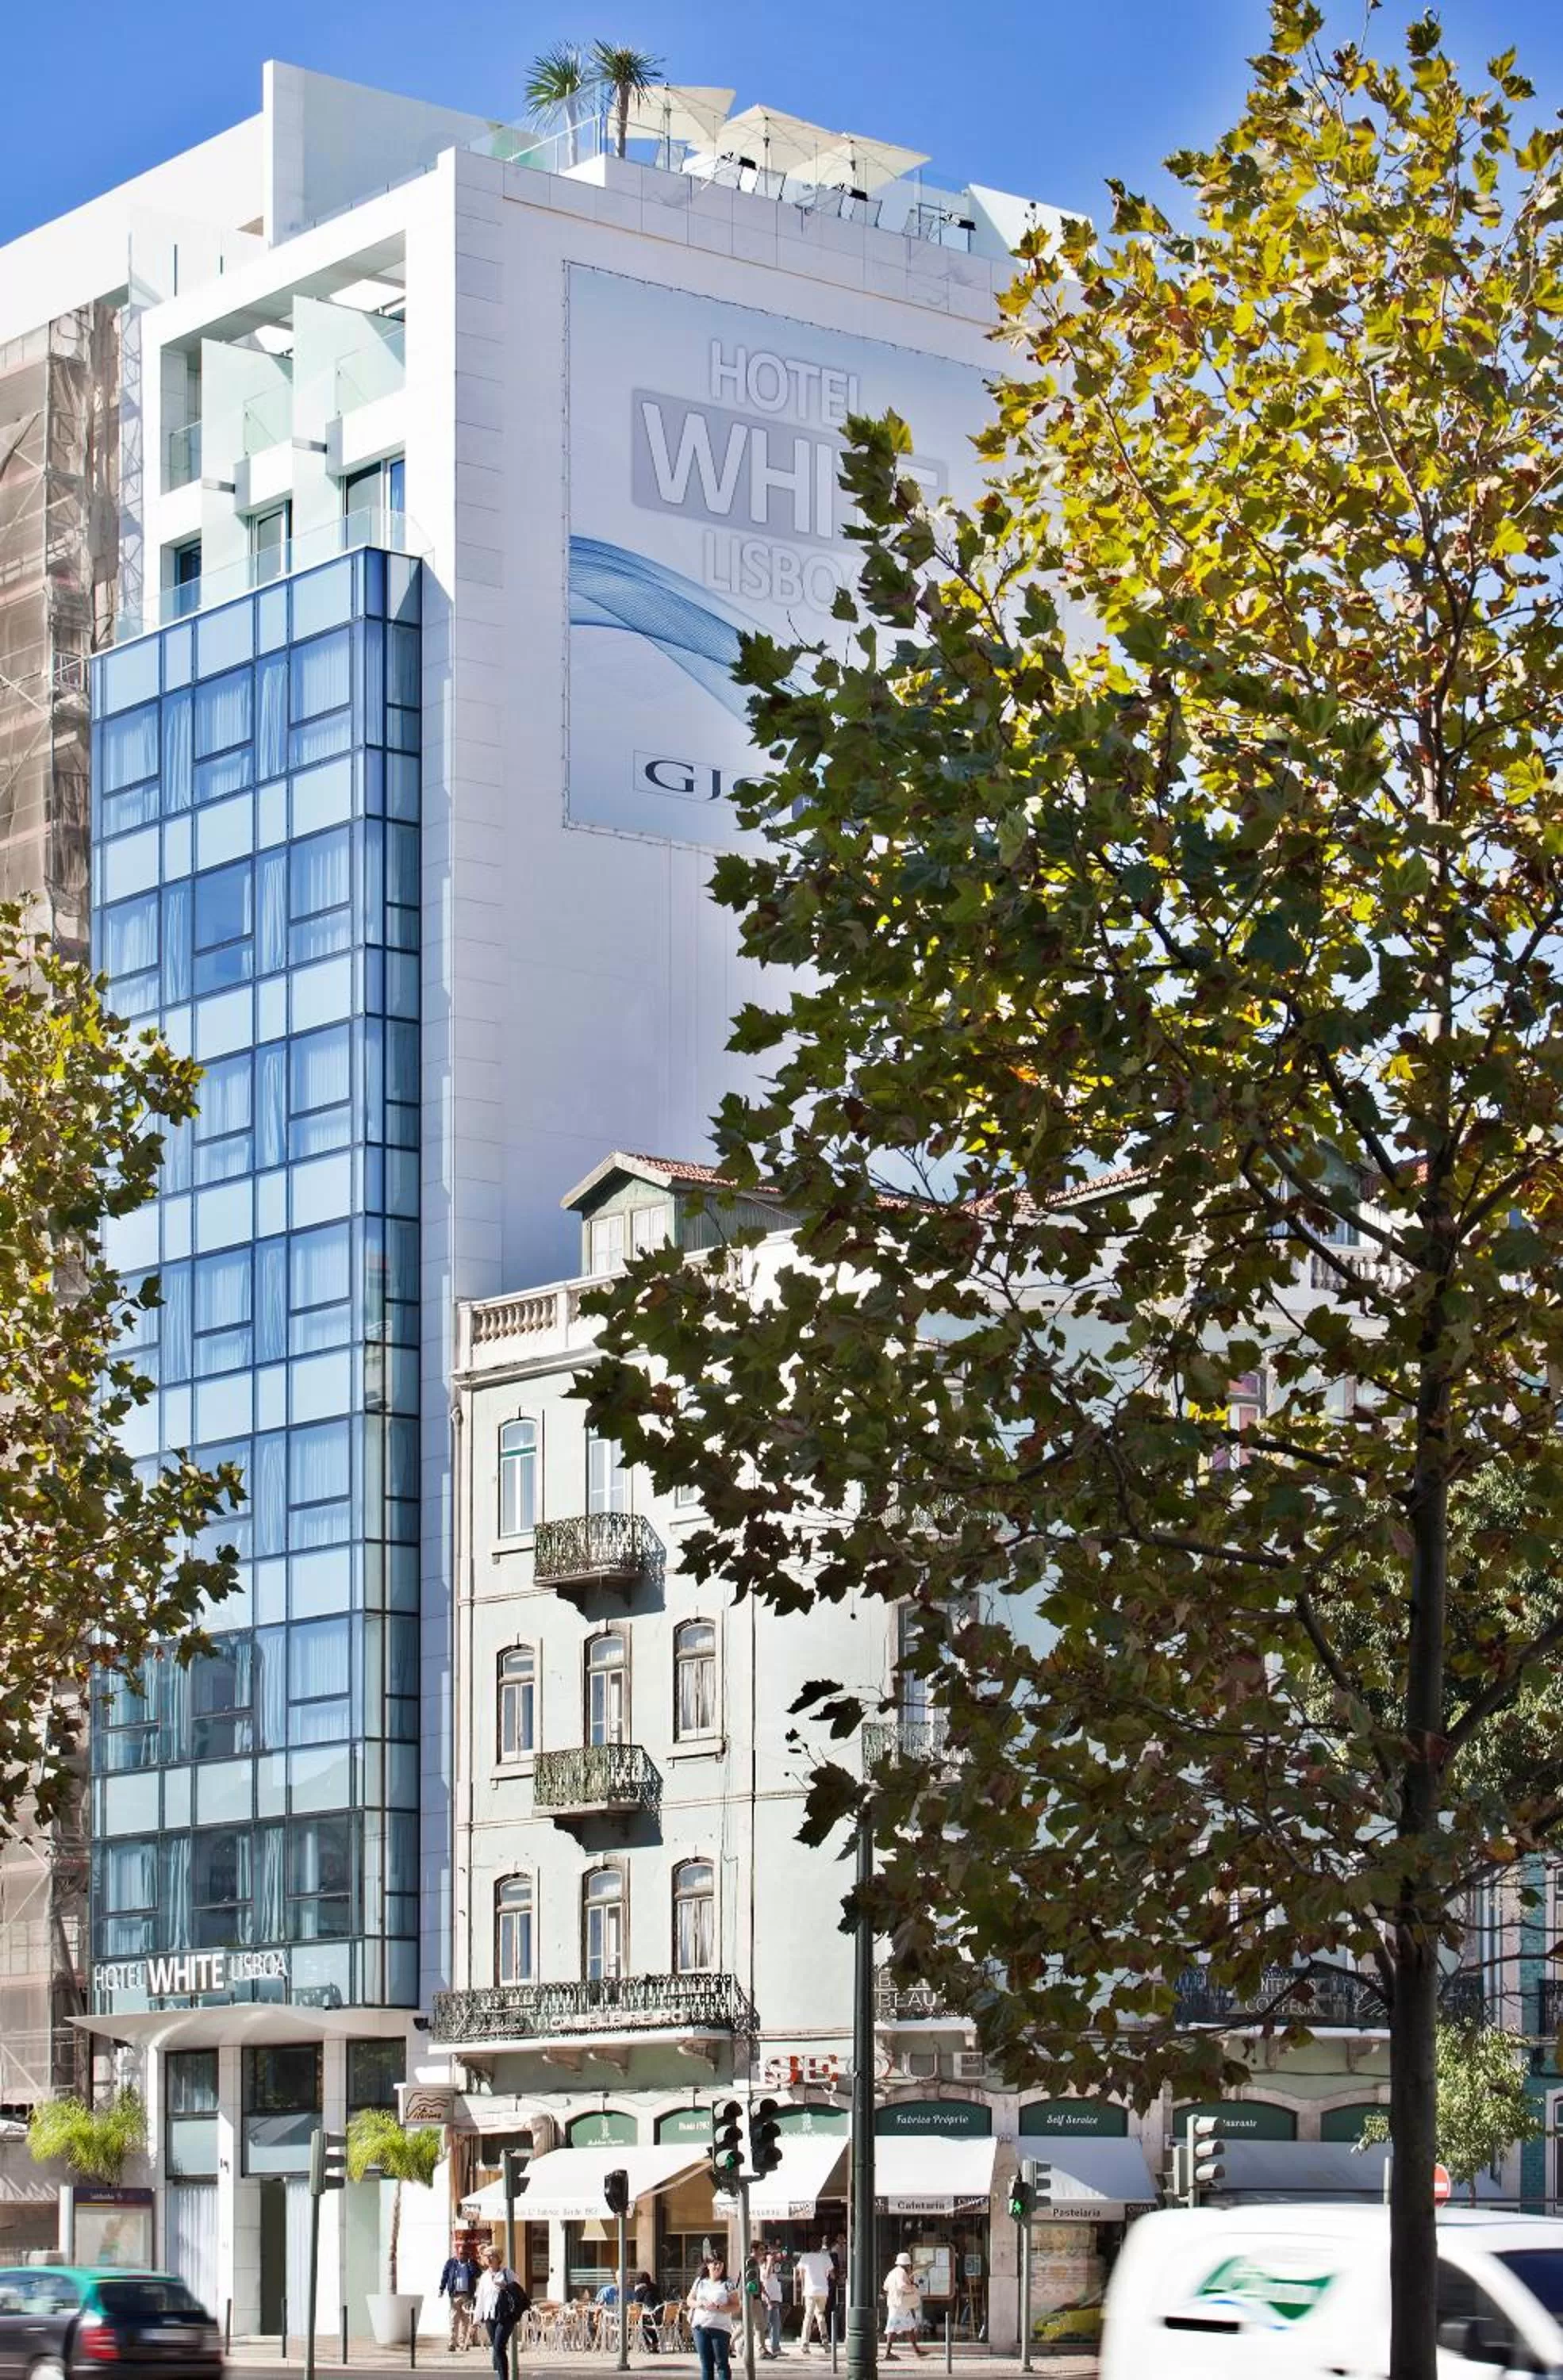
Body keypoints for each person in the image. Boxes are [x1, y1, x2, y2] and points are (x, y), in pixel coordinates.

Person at [474, 2246, 528, 2379]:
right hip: (490, 2316)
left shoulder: (507, 2273)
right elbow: (480, 2298)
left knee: (499, 2347)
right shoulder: (484, 2277)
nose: (487, 2258)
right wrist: (476, 2320)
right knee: (497, 2349)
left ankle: (503, 2378)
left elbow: (519, 2291)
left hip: (505, 2316)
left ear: (497, 2257)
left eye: (490, 2255)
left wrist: (506, 2286)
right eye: (486, 2256)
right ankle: (500, 2374)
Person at [687, 2251, 740, 2380]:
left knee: (722, 2364)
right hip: (700, 2328)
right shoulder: (700, 2282)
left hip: (720, 2328)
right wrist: (700, 2303)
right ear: (708, 2265)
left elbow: (736, 2306)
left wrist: (719, 2307)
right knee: (706, 2366)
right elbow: (689, 2300)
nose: (717, 2267)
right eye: (714, 2264)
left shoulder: (728, 2283)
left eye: (720, 2264)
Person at [440, 2240, 482, 2351]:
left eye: (465, 2254)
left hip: (467, 2295)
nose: (462, 2256)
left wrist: (469, 2264)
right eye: (461, 2253)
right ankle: (452, 2343)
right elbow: (445, 2275)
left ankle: (463, 2343)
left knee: (465, 2320)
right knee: (454, 2319)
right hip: (455, 2294)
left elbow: (477, 2274)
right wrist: (442, 2289)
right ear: (457, 2253)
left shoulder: (472, 2263)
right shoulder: (451, 2263)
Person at [882, 2252, 923, 2362]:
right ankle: (887, 2353)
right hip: (900, 2304)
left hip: (894, 2303)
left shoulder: (892, 2272)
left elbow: (885, 2286)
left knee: (909, 2326)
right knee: (893, 2329)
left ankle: (917, 2351)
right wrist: (913, 2287)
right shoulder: (901, 2273)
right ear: (906, 2264)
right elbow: (902, 2286)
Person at [795, 2241, 834, 2351]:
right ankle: (825, 2342)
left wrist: (804, 2285)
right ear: (820, 2247)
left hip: (810, 2290)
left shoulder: (805, 2257)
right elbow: (832, 2274)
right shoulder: (826, 2258)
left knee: (808, 2316)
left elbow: (801, 2274)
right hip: (823, 2290)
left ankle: (805, 2344)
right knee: (820, 2315)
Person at [759, 2248, 785, 2359]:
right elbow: (766, 2276)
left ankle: (776, 2348)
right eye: (772, 2256)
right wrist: (769, 2262)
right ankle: (746, 2344)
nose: (774, 2258)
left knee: (776, 2325)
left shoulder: (773, 2268)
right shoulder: (763, 2267)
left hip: (775, 2300)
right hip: (767, 2300)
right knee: (763, 2325)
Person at [632, 2271, 661, 2353]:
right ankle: (655, 2344)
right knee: (650, 2324)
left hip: (648, 2316)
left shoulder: (640, 2289)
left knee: (641, 2324)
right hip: (660, 2317)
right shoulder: (655, 2288)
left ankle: (647, 2345)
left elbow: (637, 2303)